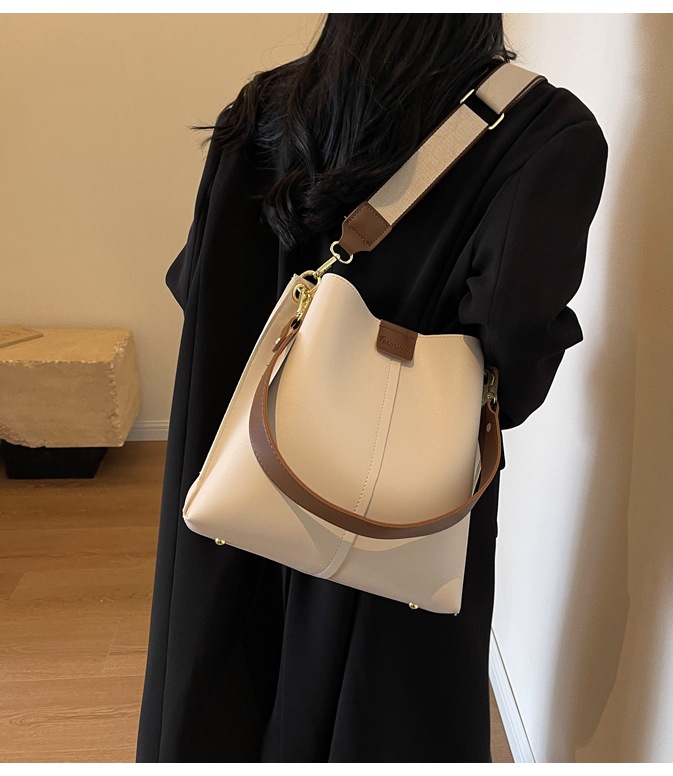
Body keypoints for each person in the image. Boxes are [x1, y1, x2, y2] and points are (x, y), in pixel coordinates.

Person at [135, 13, 608, 763]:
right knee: (386, 705)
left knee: (223, 681)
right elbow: (509, 347)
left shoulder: (266, 108)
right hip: (397, 499)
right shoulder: (544, 131)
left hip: (240, 457)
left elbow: (200, 285)